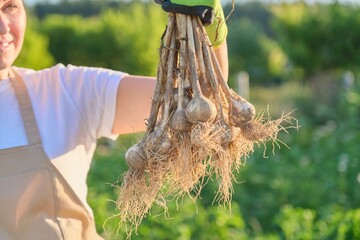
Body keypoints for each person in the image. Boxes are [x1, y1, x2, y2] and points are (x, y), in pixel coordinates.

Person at [0, 0, 228, 239]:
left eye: (10, 7)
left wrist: (210, 23)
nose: (4, 28)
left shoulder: (64, 91)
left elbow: (200, 98)